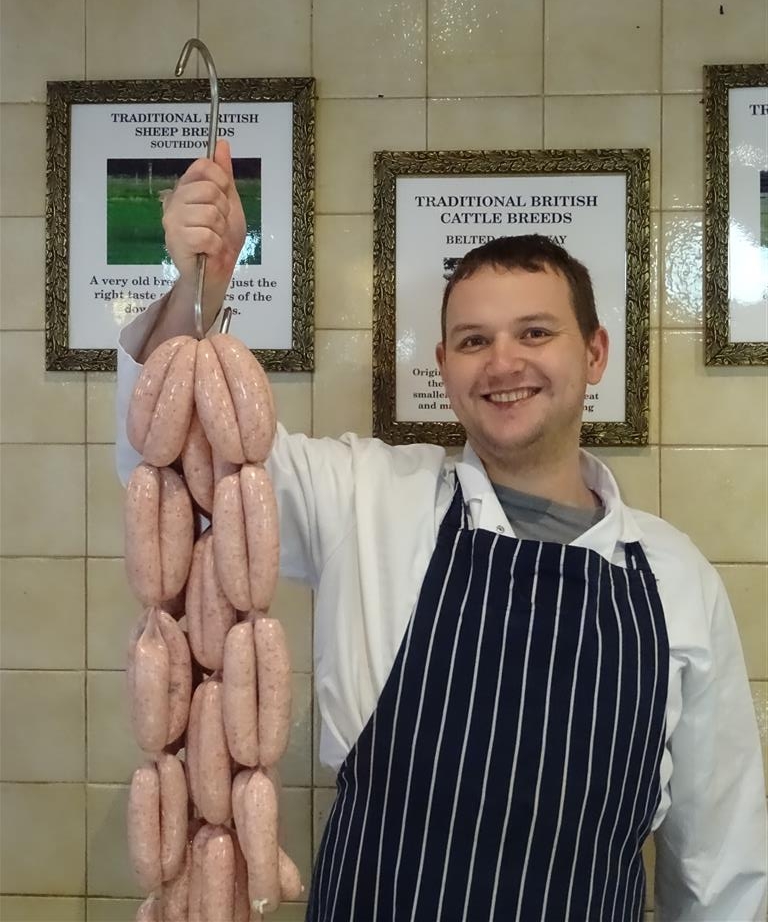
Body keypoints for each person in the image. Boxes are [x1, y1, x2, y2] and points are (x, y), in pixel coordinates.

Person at [116, 142, 767, 922]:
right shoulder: (370, 495)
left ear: (594, 354)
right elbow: (175, 466)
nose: (503, 362)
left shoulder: (675, 577)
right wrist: (198, 287)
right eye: (473, 340)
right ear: (444, 364)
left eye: (535, 333)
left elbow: (721, 864)